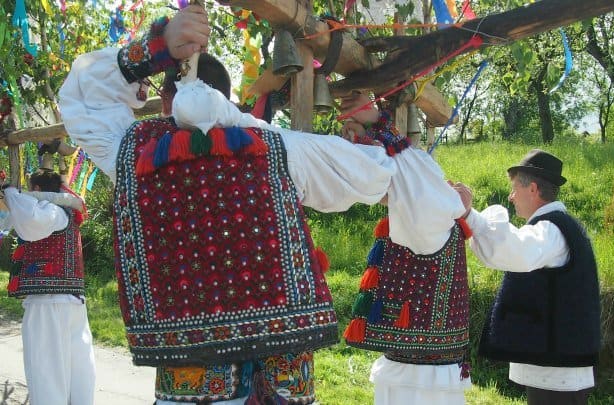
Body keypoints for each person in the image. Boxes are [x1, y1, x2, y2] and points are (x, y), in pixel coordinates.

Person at [59, 5, 395, 404]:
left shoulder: (132, 151)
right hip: (281, 361)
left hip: (192, 361)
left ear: (167, 96)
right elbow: (375, 174)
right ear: (229, 96)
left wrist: (160, 46)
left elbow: (82, 98)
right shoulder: (281, 146)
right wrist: (376, 123)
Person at [338, 94, 472, 405]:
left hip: (417, 379)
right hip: (423, 369)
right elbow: (414, 174)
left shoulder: (428, 214)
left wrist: (378, 123)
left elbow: (414, 174)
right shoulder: (433, 214)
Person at [453, 149, 601, 405]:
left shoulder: (551, 229)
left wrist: (470, 216)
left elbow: (515, 252)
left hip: (557, 365)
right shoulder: (558, 226)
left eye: (514, 189)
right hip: (557, 361)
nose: (510, 197)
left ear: (532, 189)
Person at [1, 168, 96, 405]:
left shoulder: (52, 210)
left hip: (48, 304)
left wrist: (10, 192)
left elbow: (29, 219)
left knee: (46, 372)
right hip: (70, 302)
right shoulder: (65, 211)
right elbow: (11, 219)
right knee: (77, 371)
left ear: (36, 190)